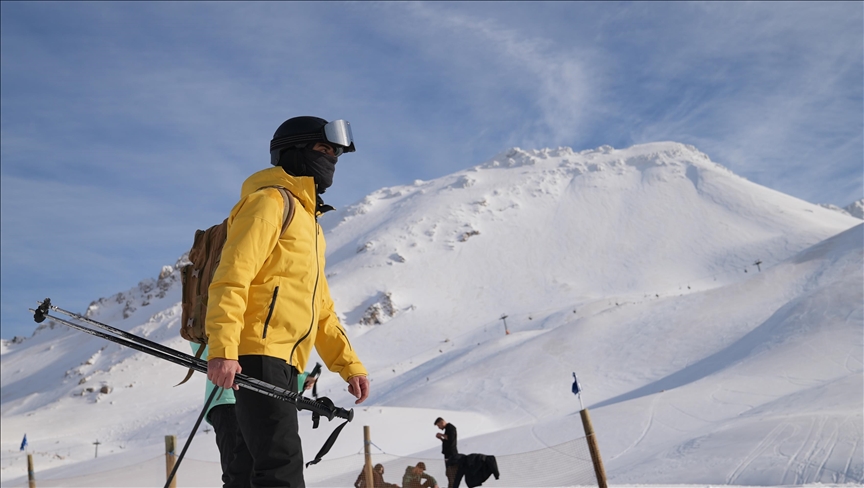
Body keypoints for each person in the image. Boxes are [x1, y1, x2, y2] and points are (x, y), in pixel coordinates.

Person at [206, 116, 370, 488]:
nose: (330, 159)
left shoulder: (310, 224)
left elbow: (321, 310)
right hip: (256, 353)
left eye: (334, 153)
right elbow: (231, 278)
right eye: (323, 149)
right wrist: (223, 349)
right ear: (293, 151)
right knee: (282, 467)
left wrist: (350, 366)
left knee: (255, 471)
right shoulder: (268, 203)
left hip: (286, 362)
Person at [192, 343, 318, 486]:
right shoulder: (221, 330)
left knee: (256, 468)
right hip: (231, 398)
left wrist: (300, 378)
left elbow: (264, 354)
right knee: (242, 472)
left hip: (246, 397)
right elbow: (250, 352)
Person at [434, 418, 458, 488]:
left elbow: (451, 438)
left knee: (451, 474)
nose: (439, 427)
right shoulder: (447, 429)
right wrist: (441, 438)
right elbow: (447, 442)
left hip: (451, 455)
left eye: (439, 425)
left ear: (442, 422)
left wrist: (441, 434)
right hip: (448, 455)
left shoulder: (451, 428)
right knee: (448, 474)